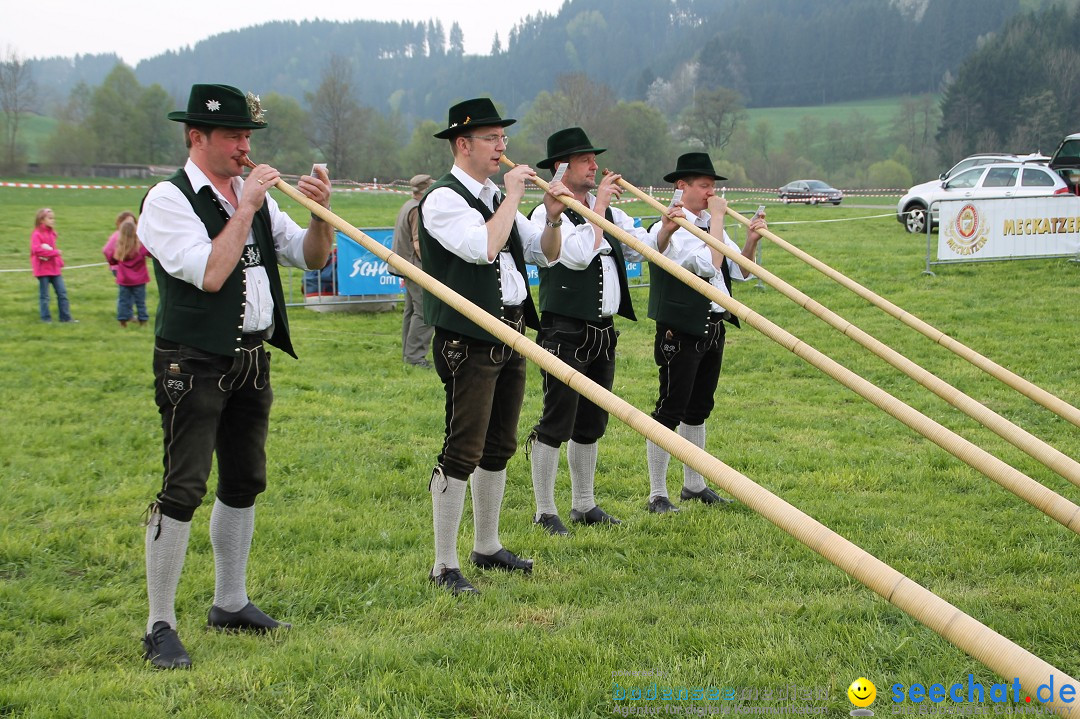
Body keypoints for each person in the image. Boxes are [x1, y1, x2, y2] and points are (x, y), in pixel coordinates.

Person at [136, 83, 334, 669]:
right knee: (184, 488)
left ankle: (230, 602)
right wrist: (245, 205)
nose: (243, 146)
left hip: (251, 358)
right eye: (231, 136)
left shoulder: (253, 196)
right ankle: (159, 624)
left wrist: (318, 214)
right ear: (196, 137)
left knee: (245, 480)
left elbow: (311, 256)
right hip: (192, 361)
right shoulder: (167, 200)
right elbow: (210, 273)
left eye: (248, 135)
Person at [419, 97, 568, 595]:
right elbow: (483, 250)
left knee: (500, 446)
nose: (502, 146)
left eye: (503, 137)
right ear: (463, 145)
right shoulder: (442, 199)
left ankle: (486, 545)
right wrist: (510, 198)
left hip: (510, 332)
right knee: (463, 447)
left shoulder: (491, 197)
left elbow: (544, 257)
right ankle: (444, 563)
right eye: (491, 138)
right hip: (468, 340)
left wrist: (548, 217)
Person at [526, 127, 653, 535]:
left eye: (593, 160)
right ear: (561, 167)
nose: (595, 166)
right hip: (563, 330)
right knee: (556, 420)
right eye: (586, 161)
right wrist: (598, 206)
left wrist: (665, 226)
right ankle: (545, 510)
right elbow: (577, 257)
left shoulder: (609, 213)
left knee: (592, 422)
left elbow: (640, 248)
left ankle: (584, 504)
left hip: (603, 331)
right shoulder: (546, 214)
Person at [644, 152, 767, 513]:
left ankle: (694, 486)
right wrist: (715, 219)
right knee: (670, 409)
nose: (711, 191)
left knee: (698, 409)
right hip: (679, 331)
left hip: (713, 326)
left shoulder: (712, 224)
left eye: (713, 185)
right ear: (681, 186)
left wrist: (751, 240)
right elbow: (706, 266)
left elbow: (738, 271)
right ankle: (657, 494)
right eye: (703, 185)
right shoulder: (668, 225)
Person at [392, 173, 435, 368]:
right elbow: (418, 244)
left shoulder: (407, 205)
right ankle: (416, 357)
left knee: (411, 311)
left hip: (404, 264)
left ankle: (408, 355)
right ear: (425, 190)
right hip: (415, 266)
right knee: (426, 312)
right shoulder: (418, 209)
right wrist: (431, 266)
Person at [102, 215, 151, 327]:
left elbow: (108, 253)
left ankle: (122, 321)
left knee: (123, 300)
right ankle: (143, 320)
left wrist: (112, 262)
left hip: (124, 279)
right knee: (140, 301)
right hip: (139, 279)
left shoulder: (119, 248)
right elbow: (150, 252)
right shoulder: (140, 246)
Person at [30, 208, 75, 323]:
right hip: (42, 270)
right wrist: (55, 253)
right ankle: (46, 319)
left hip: (55, 269)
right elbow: (37, 250)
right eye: (50, 218)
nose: (53, 220)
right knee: (45, 296)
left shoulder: (52, 233)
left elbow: (52, 248)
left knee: (62, 293)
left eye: (53, 218)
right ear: (41, 220)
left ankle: (65, 318)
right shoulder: (36, 234)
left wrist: (60, 262)